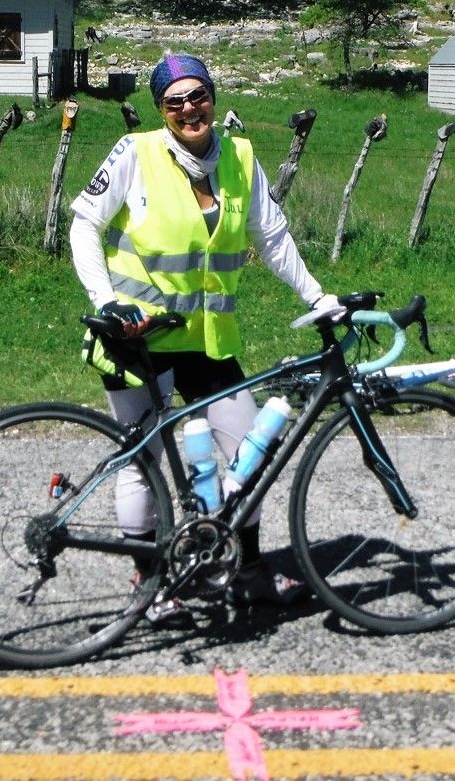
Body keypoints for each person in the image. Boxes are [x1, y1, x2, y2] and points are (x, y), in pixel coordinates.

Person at [69, 53, 342, 624]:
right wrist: (106, 302)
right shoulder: (136, 153)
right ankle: (148, 582)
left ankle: (247, 568)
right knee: (141, 460)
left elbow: (272, 237)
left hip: (208, 340)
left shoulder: (239, 155)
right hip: (137, 337)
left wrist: (316, 296)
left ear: (213, 99)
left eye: (199, 97)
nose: (189, 108)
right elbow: (84, 225)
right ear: (161, 109)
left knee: (252, 453)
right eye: (175, 101)